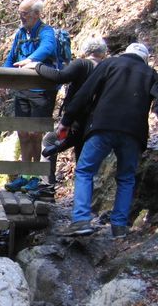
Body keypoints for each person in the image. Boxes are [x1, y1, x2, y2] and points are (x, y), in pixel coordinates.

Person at [57, 43, 157, 238]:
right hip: (134, 133)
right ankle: (119, 227)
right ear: (144, 58)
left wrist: (67, 120)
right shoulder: (151, 74)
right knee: (126, 178)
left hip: (103, 126)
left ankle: (81, 220)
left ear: (125, 53)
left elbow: (86, 92)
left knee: (85, 171)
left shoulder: (110, 64)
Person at [23, 35, 108, 190]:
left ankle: (46, 186)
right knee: (83, 159)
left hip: (74, 122)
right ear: (103, 52)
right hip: (94, 123)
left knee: (50, 142)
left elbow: (59, 76)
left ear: (86, 50)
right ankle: (84, 199)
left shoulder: (82, 64)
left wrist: (37, 66)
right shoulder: (108, 68)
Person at [4, 0, 58, 193]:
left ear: (37, 14)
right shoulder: (20, 34)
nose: (21, 17)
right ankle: (25, 175)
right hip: (22, 91)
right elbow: (11, 57)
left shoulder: (46, 32)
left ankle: (35, 176)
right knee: (23, 134)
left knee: (36, 135)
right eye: (20, 13)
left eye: (25, 13)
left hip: (41, 91)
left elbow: (48, 48)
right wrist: (2, 77)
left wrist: (30, 60)